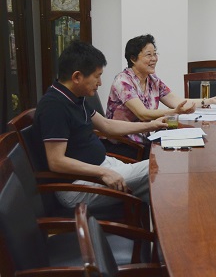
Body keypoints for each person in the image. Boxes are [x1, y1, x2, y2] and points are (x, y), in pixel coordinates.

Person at [32, 41, 168, 208]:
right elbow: (56, 161)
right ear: (77, 77)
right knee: (160, 168)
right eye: (97, 76)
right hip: (77, 186)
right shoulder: (54, 107)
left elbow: (106, 125)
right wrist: (103, 172)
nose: (100, 82)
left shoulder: (75, 97)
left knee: (156, 181)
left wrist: (152, 125)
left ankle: (157, 222)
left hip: (100, 167)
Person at [106, 34, 216, 149]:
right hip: (125, 143)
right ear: (133, 59)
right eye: (148, 55)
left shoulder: (153, 80)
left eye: (155, 54)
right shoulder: (123, 81)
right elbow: (142, 114)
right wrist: (174, 112)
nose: (154, 59)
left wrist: (210, 101)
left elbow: (177, 101)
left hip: (144, 140)